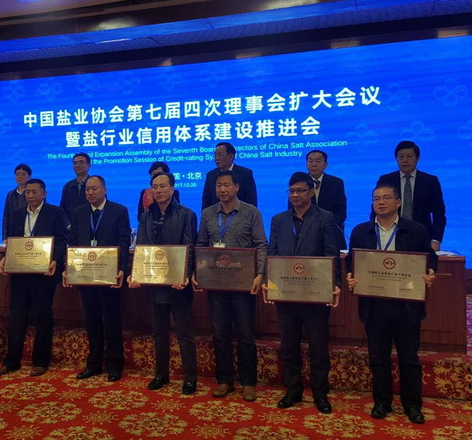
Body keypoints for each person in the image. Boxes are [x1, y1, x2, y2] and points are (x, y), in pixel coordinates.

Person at [346, 183, 437, 424]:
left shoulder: (415, 230)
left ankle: (412, 405)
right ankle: (382, 402)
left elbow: (431, 258)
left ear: (398, 202)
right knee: (378, 358)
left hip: (406, 305)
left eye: (386, 197)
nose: (381, 202)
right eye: (376, 198)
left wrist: (430, 272)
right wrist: (350, 276)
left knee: (409, 358)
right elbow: (351, 262)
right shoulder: (361, 231)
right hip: (374, 305)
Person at [266, 172, 341, 413]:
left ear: (311, 192)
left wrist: (335, 284)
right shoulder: (279, 220)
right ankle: (293, 390)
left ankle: (320, 394)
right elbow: (273, 253)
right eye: (291, 191)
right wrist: (270, 283)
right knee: (289, 345)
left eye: (300, 190)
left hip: (315, 295)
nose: (295, 195)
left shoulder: (325, 218)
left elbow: (332, 254)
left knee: (318, 347)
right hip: (286, 294)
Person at [194, 170, 267, 402]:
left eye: (226, 185)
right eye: (219, 186)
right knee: (221, 334)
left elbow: (261, 245)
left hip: (243, 286)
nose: (222, 189)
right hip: (216, 285)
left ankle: (248, 382)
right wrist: (197, 271)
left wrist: (260, 274)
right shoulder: (207, 214)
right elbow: (201, 245)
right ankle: (224, 380)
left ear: (237, 187)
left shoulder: (251, 212)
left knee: (245, 335)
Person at [130, 172, 198, 395]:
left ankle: (190, 378)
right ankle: (161, 374)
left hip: (178, 285)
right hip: (154, 283)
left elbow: (190, 247)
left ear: (172, 188)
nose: (158, 191)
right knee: (159, 333)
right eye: (154, 187)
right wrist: (136, 273)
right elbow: (141, 247)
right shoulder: (145, 216)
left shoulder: (186, 214)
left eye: (162, 186)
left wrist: (185, 275)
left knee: (185, 335)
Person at [0, 178, 67, 377]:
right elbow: (13, 242)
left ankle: (41, 361)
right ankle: (12, 361)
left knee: (42, 317)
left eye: (35, 192)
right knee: (16, 318)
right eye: (27, 192)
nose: (31, 195)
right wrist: (5, 258)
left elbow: (62, 241)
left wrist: (55, 260)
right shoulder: (18, 214)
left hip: (43, 275)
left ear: (44, 193)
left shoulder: (55, 213)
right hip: (20, 274)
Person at [63, 175, 130, 382]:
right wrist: (69, 268)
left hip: (109, 277)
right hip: (86, 277)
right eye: (87, 189)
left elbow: (124, 242)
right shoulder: (79, 213)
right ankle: (93, 363)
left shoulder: (119, 211)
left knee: (111, 321)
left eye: (94, 188)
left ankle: (114, 364)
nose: (90, 192)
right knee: (92, 321)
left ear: (104, 189)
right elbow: (73, 243)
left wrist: (121, 269)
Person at [376, 141, 446, 251]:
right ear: (396, 159)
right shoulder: (386, 180)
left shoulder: (430, 181)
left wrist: (435, 240)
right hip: (390, 234)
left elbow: (439, 213)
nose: (405, 160)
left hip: (422, 236)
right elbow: (376, 209)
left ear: (417, 158)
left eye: (409, 156)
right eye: (401, 156)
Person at [289, 150, 347, 249]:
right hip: (303, 234)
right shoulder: (298, 182)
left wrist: (327, 227)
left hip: (331, 233)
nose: (314, 164)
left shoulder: (336, 183)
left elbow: (341, 212)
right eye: (310, 161)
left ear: (326, 164)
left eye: (318, 161)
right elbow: (292, 209)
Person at [201, 142, 257, 210]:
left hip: (241, 214)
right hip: (216, 215)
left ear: (231, 156)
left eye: (220, 155)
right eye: (215, 155)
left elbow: (251, 200)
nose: (216, 158)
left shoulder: (245, 174)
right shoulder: (211, 175)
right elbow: (206, 201)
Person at [2, 164, 32, 242]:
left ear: (29, 176)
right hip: (13, 233)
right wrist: (5, 236)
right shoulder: (11, 194)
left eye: (23, 174)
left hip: (29, 231)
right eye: (17, 174)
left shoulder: (34, 194)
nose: (20, 177)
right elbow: (6, 216)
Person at [60, 152, 91, 219]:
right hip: (71, 224)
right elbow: (62, 209)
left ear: (89, 165)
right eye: (75, 163)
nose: (77, 165)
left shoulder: (95, 184)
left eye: (81, 162)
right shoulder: (68, 186)